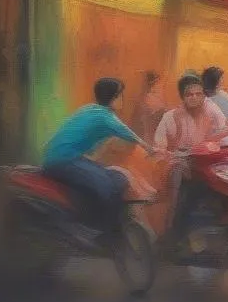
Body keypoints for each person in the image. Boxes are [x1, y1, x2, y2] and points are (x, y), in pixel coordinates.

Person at [42, 77, 154, 231]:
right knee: (107, 187)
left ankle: (94, 222)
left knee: (118, 178)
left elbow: (94, 152)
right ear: (113, 97)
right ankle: (106, 234)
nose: (122, 99)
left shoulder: (90, 109)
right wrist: (150, 148)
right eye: (120, 95)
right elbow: (126, 132)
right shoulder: (105, 116)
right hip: (64, 160)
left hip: (66, 158)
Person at [154, 73, 228, 152]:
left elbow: (217, 138)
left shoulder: (208, 113)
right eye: (189, 94)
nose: (194, 98)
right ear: (182, 97)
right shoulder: (169, 117)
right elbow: (159, 149)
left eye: (198, 94)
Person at [131, 70, 165, 140]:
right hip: (148, 136)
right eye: (158, 84)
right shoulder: (148, 99)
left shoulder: (152, 98)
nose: (161, 87)